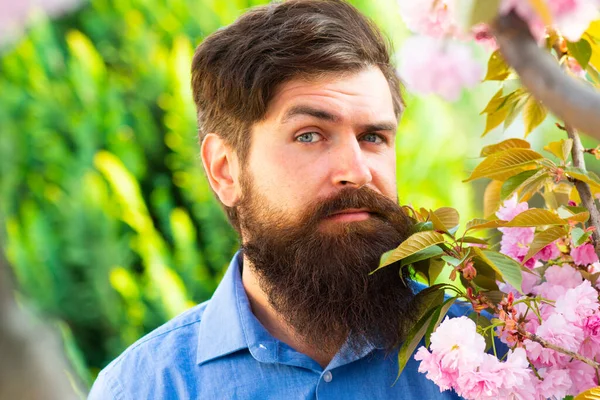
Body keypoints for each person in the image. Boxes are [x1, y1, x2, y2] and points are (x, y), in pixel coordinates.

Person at [89, 1, 466, 398]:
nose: (356, 171)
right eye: (309, 135)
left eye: (372, 137)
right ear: (224, 170)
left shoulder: (499, 353)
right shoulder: (143, 388)